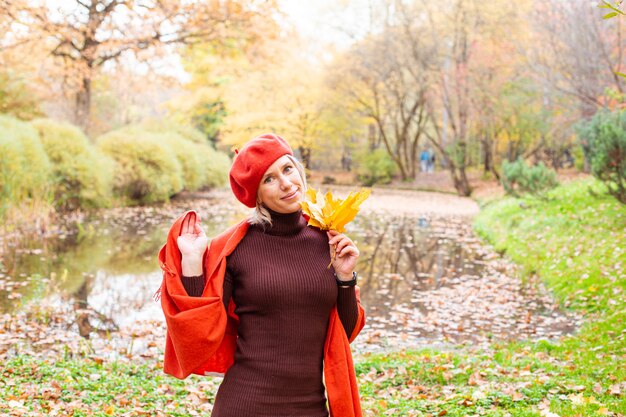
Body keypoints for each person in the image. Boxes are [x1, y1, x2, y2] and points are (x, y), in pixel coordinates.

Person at [157, 133, 366, 417]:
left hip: (311, 407)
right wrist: (193, 260)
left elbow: (345, 331)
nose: (286, 183)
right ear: (256, 195)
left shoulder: (327, 239)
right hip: (245, 404)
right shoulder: (236, 247)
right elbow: (200, 333)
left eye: (287, 169)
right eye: (269, 179)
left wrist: (345, 278)